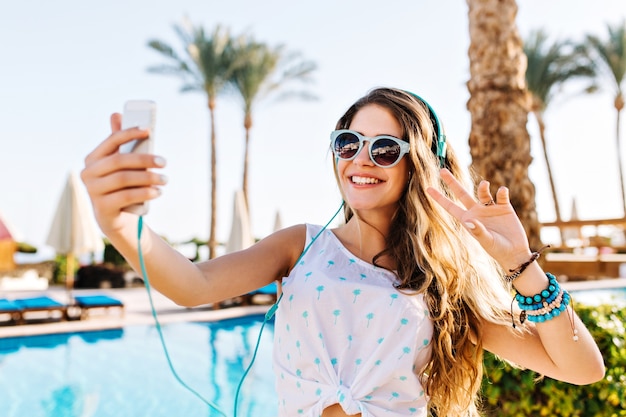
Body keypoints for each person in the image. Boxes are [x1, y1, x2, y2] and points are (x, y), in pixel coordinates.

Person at [81, 87, 604, 417]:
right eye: (348, 142)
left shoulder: (443, 286)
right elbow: (191, 286)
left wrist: (520, 263)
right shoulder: (301, 246)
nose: (361, 158)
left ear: (417, 166)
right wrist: (122, 227)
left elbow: (582, 369)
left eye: (384, 148)